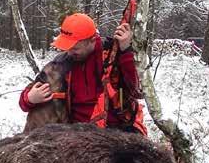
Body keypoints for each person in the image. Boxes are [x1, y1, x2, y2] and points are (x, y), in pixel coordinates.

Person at [19, 13, 147, 135]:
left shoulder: (114, 56)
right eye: (67, 47)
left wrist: (126, 50)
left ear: (92, 40)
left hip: (114, 132)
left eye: (75, 48)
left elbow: (136, 90)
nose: (69, 52)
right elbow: (24, 101)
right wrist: (30, 98)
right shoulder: (62, 63)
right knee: (41, 108)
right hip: (75, 134)